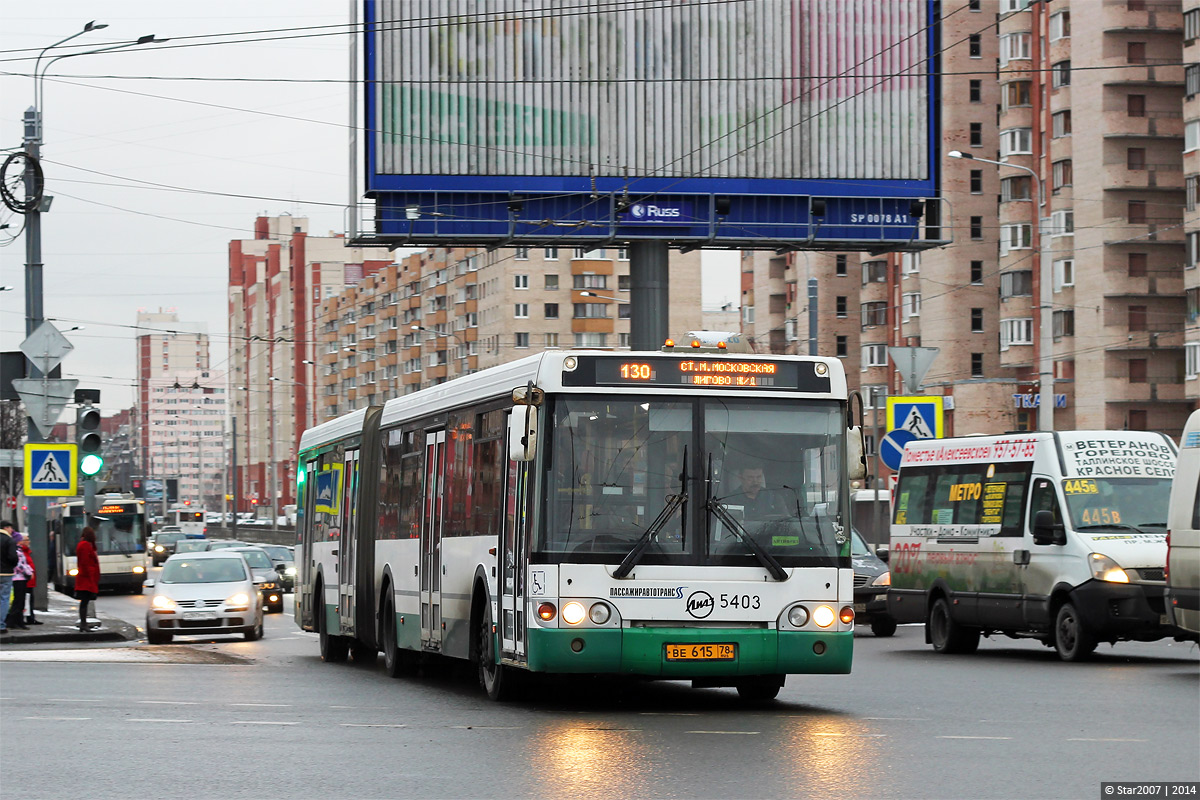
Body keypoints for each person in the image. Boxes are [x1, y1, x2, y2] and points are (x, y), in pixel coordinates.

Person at [75, 526, 101, 631]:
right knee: (85, 601)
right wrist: (91, 577)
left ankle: (83, 623)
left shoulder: (84, 545)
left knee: (85, 601)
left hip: (86, 578)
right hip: (86, 579)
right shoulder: (85, 545)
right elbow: (85, 563)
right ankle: (83, 623)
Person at [5, 532, 33, 629]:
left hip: (18, 578)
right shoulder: (17, 551)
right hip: (19, 578)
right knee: (18, 601)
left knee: (19, 601)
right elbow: (20, 565)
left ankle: (17, 621)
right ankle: (14, 621)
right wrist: (29, 572)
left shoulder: (17, 550)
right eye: (21, 539)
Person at [18, 532, 40, 625]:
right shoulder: (22, 552)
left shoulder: (26, 551)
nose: (29, 542)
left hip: (29, 580)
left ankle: (30, 617)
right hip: (25, 579)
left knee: (29, 599)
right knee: (25, 599)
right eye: (27, 540)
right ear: (21, 541)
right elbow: (23, 565)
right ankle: (26, 618)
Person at [1, 520, 18, 634]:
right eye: (11, 528)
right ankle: (1, 625)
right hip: (5, 574)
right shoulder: (9, 540)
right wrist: (11, 565)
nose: (12, 531)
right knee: (3, 599)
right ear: (6, 528)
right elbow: (13, 557)